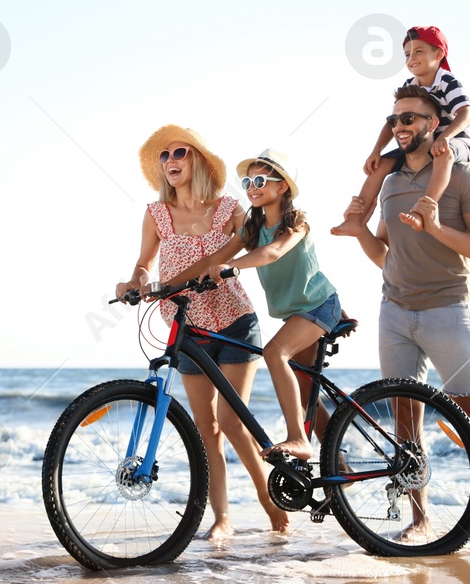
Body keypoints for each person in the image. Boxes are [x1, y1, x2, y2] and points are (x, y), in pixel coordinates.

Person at [343, 84, 470, 546]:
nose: (399, 127)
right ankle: (421, 519)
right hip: (394, 311)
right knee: (405, 417)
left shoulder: (465, 176)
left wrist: (436, 226)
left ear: (434, 124)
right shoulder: (390, 185)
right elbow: (385, 255)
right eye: (395, 120)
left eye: (409, 118)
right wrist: (358, 233)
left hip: (448, 308)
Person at [113, 125, 289, 538]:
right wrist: (134, 282)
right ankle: (222, 518)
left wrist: (180, 278)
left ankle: (270, 500)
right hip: (186, 328)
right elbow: (144, 264)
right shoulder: (156, 214)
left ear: (198, 161)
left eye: (180, 153)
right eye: (165, 156)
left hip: (233, 321)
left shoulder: (229, 208)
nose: (171, 161)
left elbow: (242, 245)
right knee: (205, 428)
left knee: (231, 421)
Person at [195, 150, 342, 462]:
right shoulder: (252, 227)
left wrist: (232, 267)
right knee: (306, 393)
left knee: (275, 353)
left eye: (259, 180)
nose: (251, 186)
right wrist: (167, 286)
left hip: (318, 306)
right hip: (297, 314)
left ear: (282, 186)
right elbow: (215, 258)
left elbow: (274, 252)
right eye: (247, 181)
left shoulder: (297, 222)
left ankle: (298, 439)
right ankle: (337, 465)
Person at [333, 26, 470, 236]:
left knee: (443, 155)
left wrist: (445, 137)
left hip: (455, 140)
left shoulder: (446, 81)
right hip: (422, 141)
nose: (411, 58)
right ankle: (355, 219)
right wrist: (376, 150)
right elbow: (394, 122)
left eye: (418, 51)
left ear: (438, 53)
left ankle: (424, 210)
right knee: (380, 165)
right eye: (407, 54)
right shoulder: (410, 84)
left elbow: (466, 113)